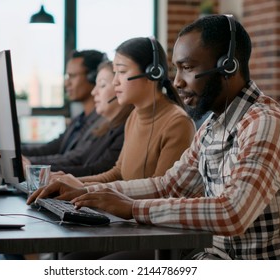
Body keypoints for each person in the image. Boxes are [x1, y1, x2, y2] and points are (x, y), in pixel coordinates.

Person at [28, 15, 280, 260]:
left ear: (228, 66)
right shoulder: (214, 124)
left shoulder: (265, 124)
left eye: (188, 68)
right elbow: (170, 185)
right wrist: (89, 194)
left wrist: (131, 208)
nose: (177, 82)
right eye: (176, 68)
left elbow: (232, 213)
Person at [48, 36, 195, 188]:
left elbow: (160, 190)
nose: (115, 81)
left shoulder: (178, 124)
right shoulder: (134, 116)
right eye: (115, 72)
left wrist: (84, 189)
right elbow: (118, 173)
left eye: (122, 71)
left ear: (152, 73)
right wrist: (70, 182)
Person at [48, 60, 134, 176]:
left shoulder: (125, 129)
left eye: (102, 85)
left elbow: (96, 170)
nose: (94, 92)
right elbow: (81, 161)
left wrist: (41, 171)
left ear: (119, 90)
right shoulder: (102, 127)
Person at [21, 50, 105, 166]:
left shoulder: (104, 121)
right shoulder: (79, 120)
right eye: (67, 76)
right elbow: (49, 148)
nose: (67, 83)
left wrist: (29, 163)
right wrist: (12, 152)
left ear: (93, 77)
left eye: (72, 76)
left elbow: (75, 159)